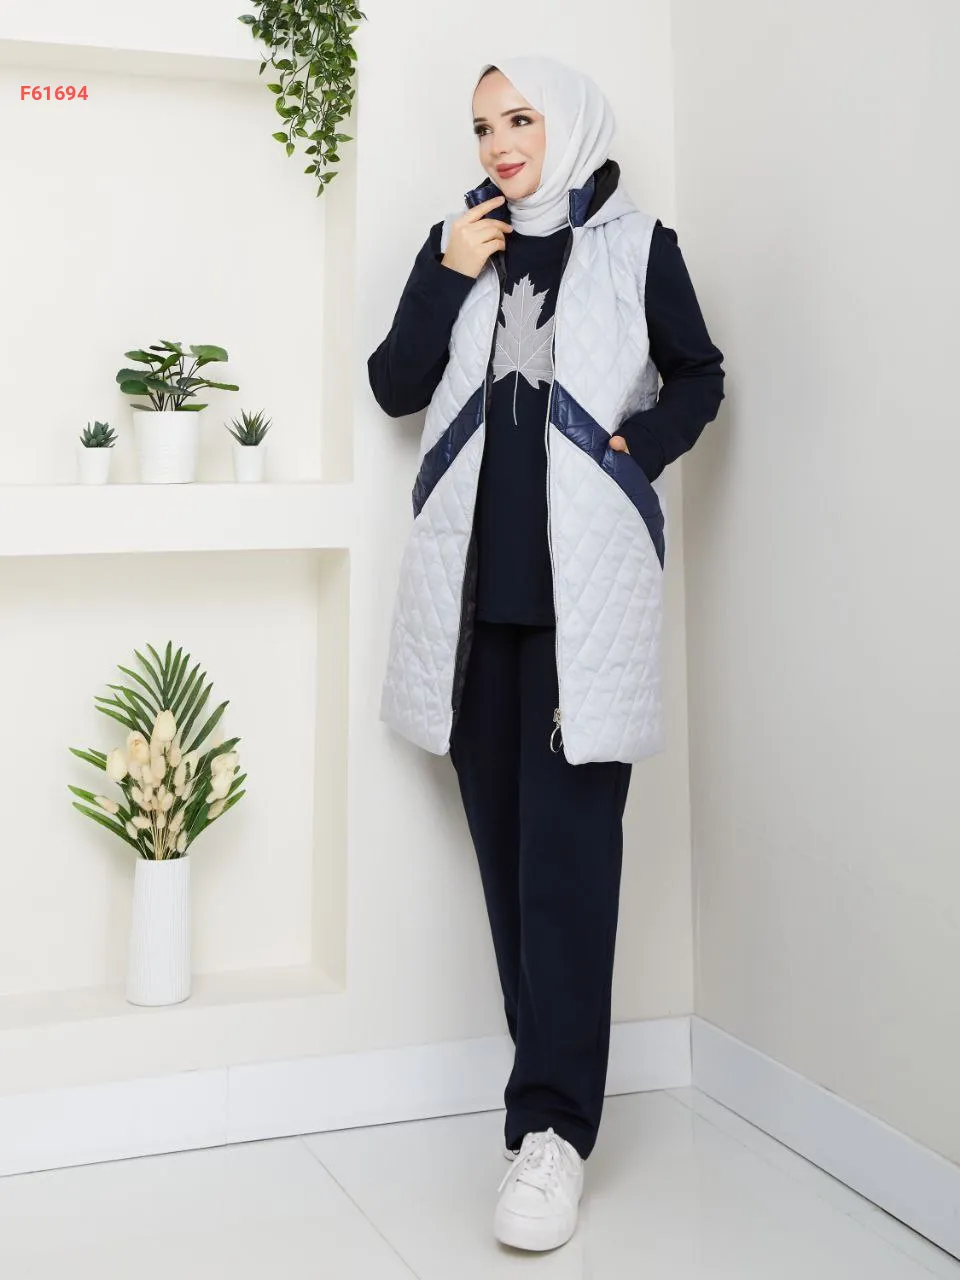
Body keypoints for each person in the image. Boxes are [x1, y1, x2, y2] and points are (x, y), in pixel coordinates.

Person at [368, 55, 725, 1253]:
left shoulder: (638, 248)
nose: (499, 144)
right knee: (513, 874)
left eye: (518, 118)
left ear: (567, 122)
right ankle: (546, 1110)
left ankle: (554, 1130)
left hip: (587, 611)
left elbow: (701, 374)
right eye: (482, 126)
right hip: (475, 611)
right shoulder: (460, 244)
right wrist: (444, 271)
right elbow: (395, 385)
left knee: (569, 874)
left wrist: (637, 450)